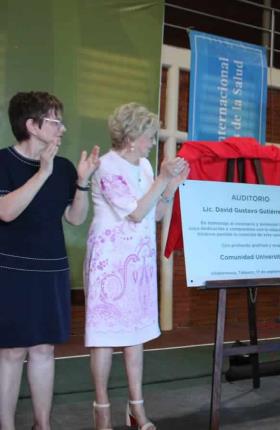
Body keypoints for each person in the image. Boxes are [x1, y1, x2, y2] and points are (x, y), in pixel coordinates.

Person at [84, 103, 188, 430]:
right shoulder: (105, 167)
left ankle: (136, 409)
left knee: (136, 335)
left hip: (139, 262)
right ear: (130, 136)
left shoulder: (143, 165)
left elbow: (155, 213)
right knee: (104, 336)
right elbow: (135, 212)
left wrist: (171, 185)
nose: (152, 142)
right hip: (109, 263)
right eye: (148, 136)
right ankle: (101, 409)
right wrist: (162, 177)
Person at [0, 91, 100, 430]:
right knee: (11, 352)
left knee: (44, 349)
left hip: (51, 270)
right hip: (11, 271)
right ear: (32, 125)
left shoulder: (66, 167)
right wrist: (42, 173)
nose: (63, 129)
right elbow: (7, 211)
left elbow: (74, 218)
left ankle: (43, 424)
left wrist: (82, 184)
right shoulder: (3, 162)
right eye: (56, 121)